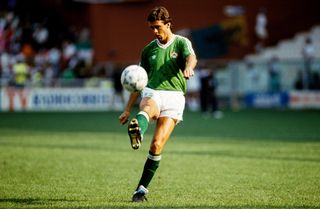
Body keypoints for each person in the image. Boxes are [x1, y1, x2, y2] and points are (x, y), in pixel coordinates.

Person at [118, 6, 197, 202]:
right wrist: (128, 109)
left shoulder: (181, 42)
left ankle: (141, 190)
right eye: (151, 28)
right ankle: (138, 130)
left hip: (175, 96)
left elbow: (191, 57)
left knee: (157, 145)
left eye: (157, 27)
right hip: (153, 91)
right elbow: (138, 81)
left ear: (168, 24)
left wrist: (188, 68)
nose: (154, 31)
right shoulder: (148, 50)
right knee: (147, 109)